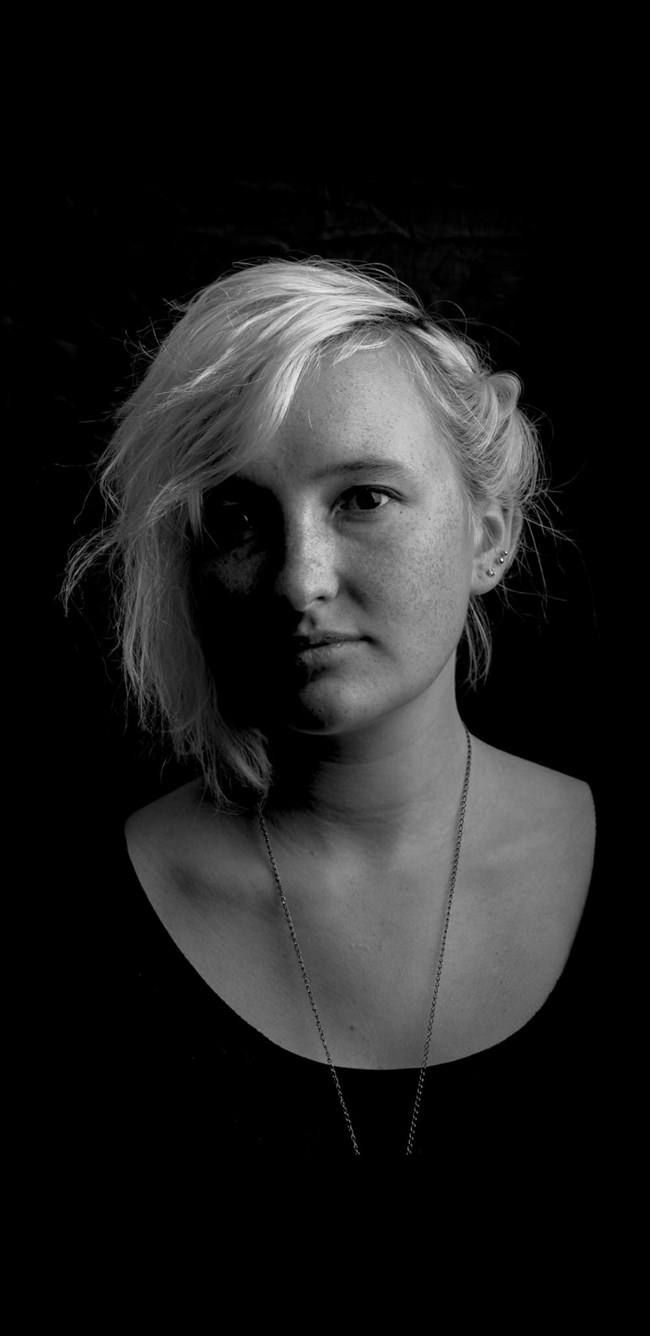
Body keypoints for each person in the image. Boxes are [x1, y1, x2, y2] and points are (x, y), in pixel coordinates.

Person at [60, 256, 601, 1162]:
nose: (298, 580)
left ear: (488, 535)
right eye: (237, 518)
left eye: (363, 499)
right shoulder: (78, 926)